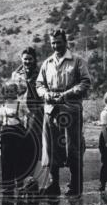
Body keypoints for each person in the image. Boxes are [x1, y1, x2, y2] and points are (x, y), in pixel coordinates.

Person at [36, 30, 91, 196]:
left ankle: (75, 185)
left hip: (71, 110)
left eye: (58, 42)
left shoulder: (77, 61)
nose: (56, 46)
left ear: (65, 42)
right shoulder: (47, 63)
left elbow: (86, 82)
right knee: (51, 147)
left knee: (72, 147)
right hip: (51, 110)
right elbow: (39, 84)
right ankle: (54, 185)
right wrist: (46, 94)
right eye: (53, 43)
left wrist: (67, 94)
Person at [11, 47, 43, 188]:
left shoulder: (42, 73)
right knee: (18, 146)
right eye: (25, 59)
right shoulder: (16, 75)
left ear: (35, 59)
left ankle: (31, 178)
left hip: (36, 113)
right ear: (21, 59)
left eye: (30, 59)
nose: (27, 61)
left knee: (33, 146)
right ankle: (20, 178)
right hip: (19, 113)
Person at [0, 81, 30, 194]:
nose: (9, 94)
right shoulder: (2, 107)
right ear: (4, 93)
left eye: (12, 91)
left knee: (19, 159)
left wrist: (28, 130)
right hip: (5, 135)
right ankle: (7, 185)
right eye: (7, 91)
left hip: (19, 134)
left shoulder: (21, 104)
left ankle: (20, 183)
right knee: (6, 160)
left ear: (16, 92)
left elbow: (30, 116)